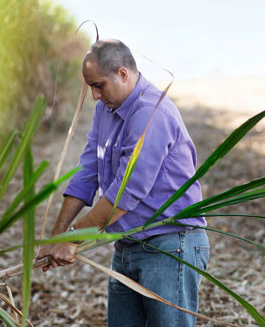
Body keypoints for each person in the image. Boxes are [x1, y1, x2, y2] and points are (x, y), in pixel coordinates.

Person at [38, 39, 209, 327]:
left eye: (99, 85)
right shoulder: (106, 108)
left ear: (123, 74)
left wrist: (72, 238)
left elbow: (124, 195)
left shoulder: (149, 112)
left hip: (170, 246)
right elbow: (88, 170)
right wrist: (56, 237)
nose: (93, 95)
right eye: (90, 86)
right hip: (128, 245)